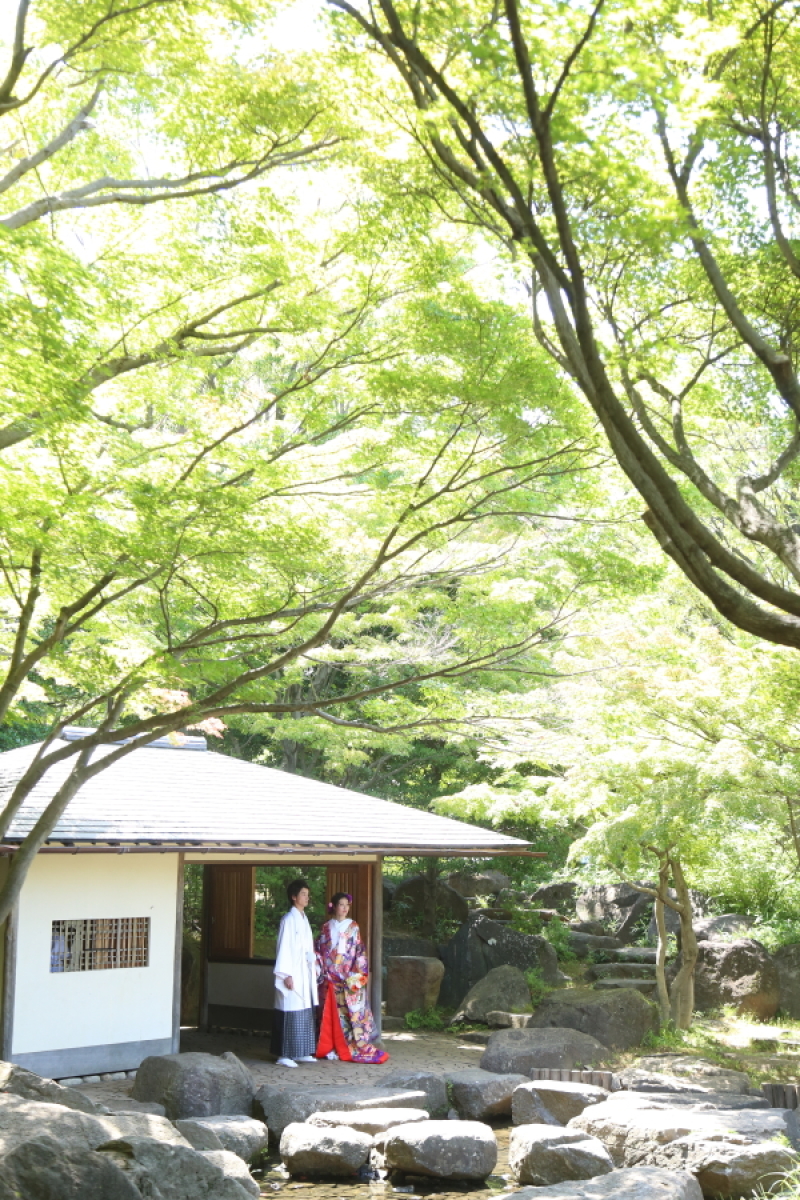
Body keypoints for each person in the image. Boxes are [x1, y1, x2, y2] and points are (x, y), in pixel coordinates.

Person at [314, 892, 389, 1064]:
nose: (345, 908)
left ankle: (348, 1046)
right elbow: (318, 951)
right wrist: (319, 969)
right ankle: (328, 1047)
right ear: (333, 906)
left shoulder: (353, 927)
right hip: (328, 979)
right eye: (341, 905)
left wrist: (356, 976)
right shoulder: (325, 927)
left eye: (347, 905)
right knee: (328, 1016)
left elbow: (360, 953)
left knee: (348, 1016)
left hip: (347, 979)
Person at [271, 878, 319, 1068]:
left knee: (303, 1009)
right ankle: (284, 1054)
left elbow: (307, 948)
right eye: (303, 894)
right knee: (289, 1010)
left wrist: (313, 965)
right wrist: (287, 974)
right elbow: (284, 948)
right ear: (293, 897)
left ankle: (300, 1051)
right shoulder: (289, 920)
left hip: (304, 970)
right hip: (292, 971)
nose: (307, 898)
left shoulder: (303, 918)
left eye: (308, 894)